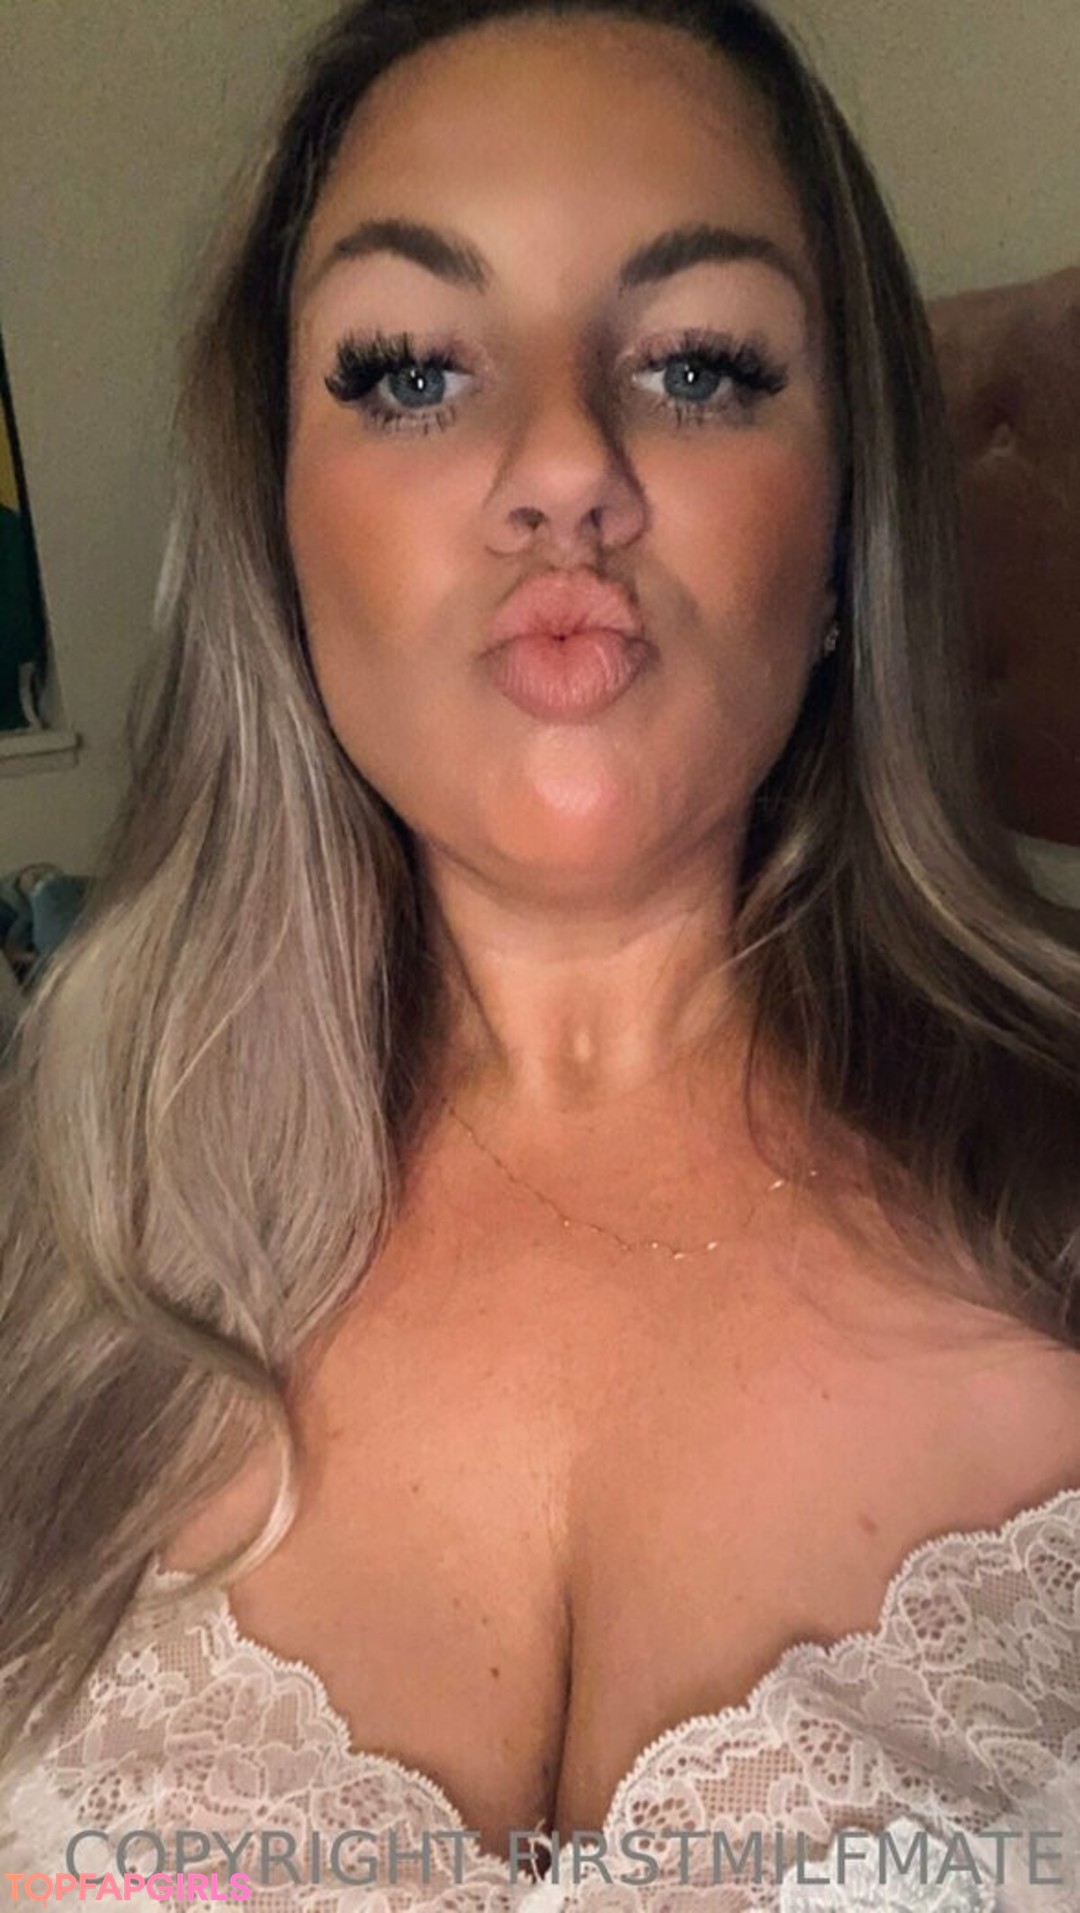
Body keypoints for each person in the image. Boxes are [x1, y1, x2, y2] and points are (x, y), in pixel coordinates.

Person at [2, 1, 1079, 1907]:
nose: (565, 462)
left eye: (701, 364)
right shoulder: (58, 1228)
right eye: (412, 369)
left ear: (849, 525)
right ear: (273, 518)